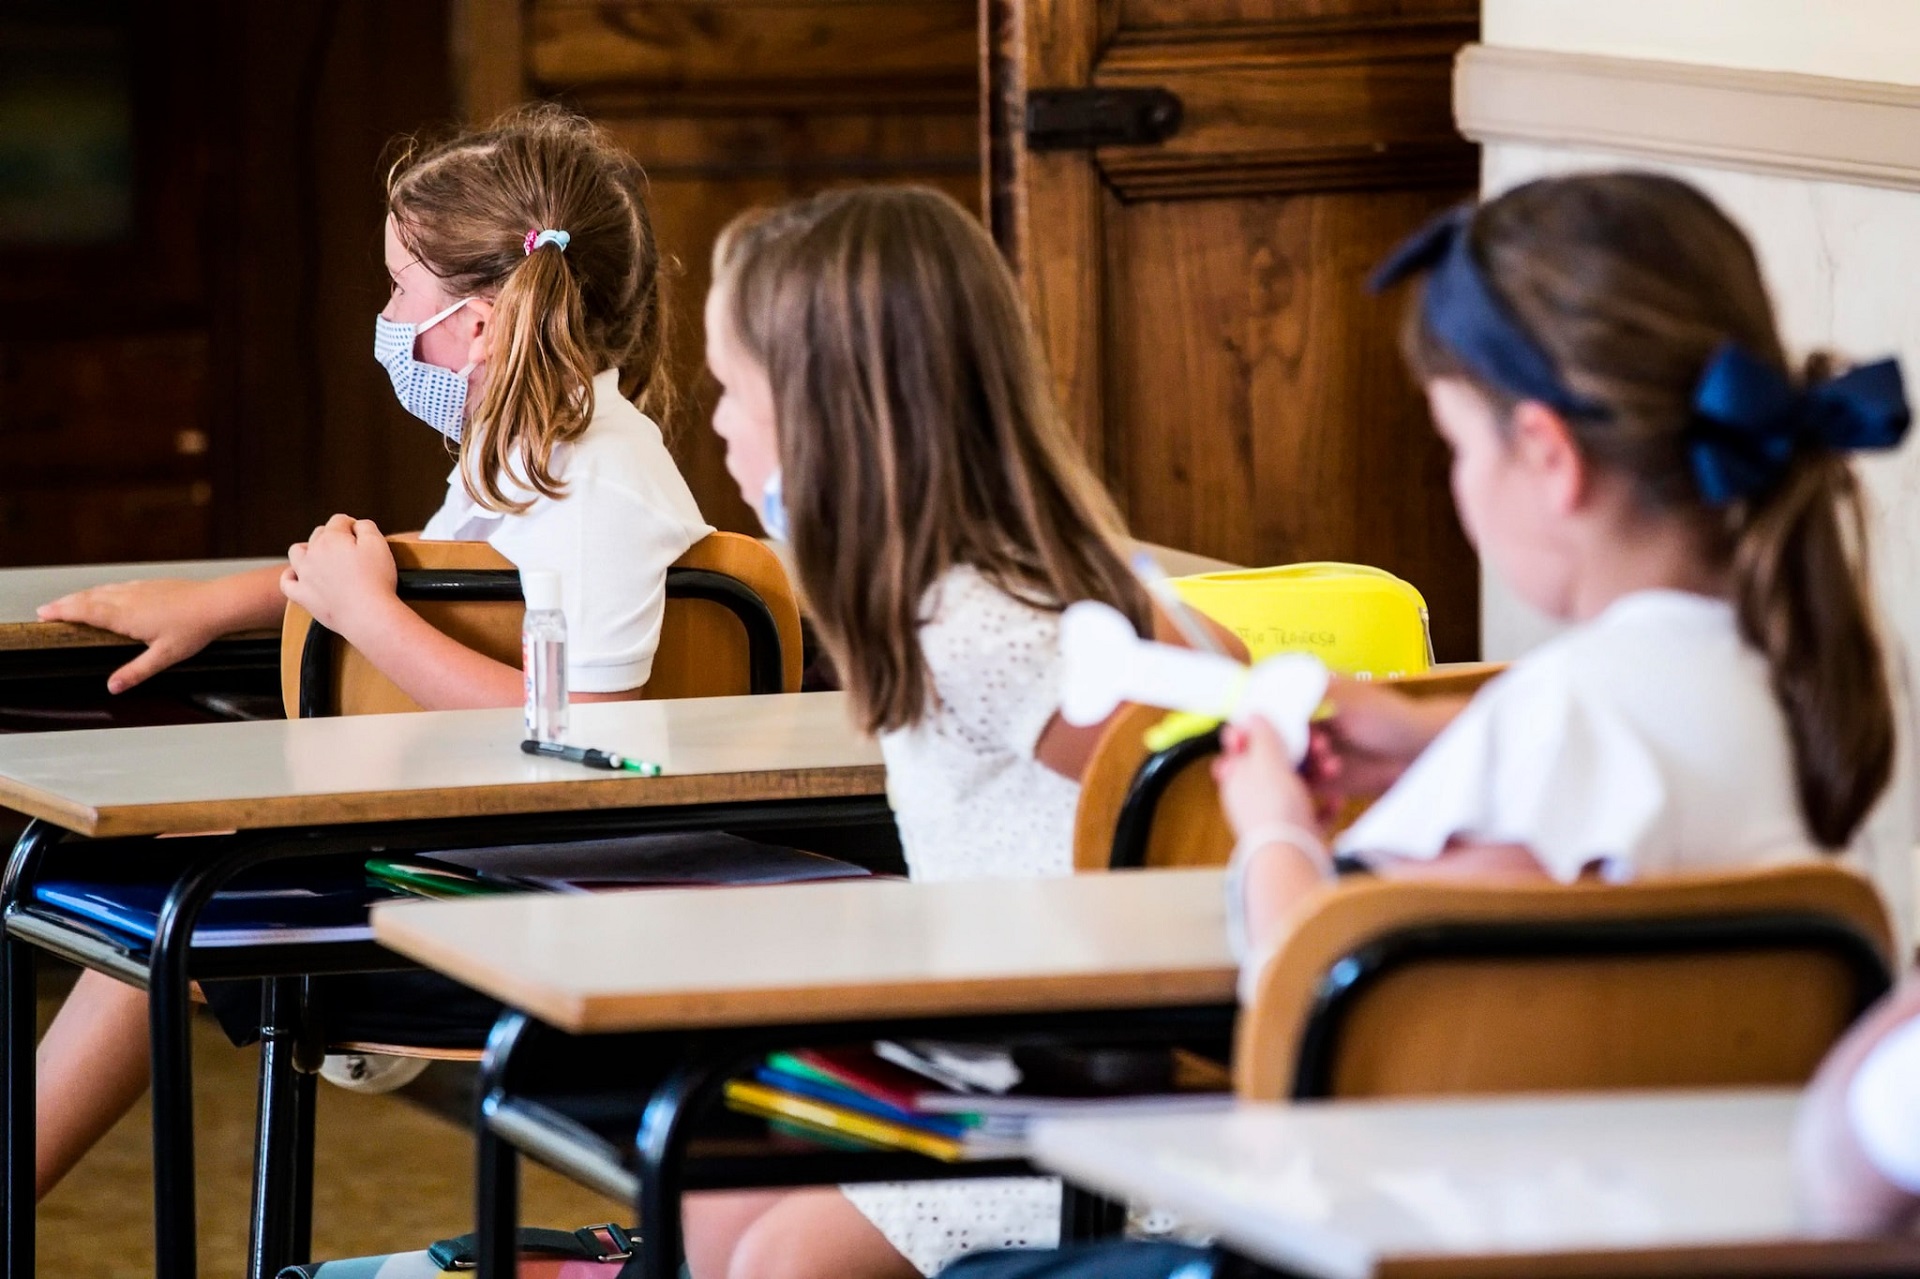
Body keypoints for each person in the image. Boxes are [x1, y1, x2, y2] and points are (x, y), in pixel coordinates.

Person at [29, 104, 709, 1200]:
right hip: (463, 845)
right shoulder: (532, 453)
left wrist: (367, 619)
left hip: (523, 890)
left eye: (401, 288)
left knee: (172, 896)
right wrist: (228, 603)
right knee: (153, 871)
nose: (388, 316)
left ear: (481, 326)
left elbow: (593, 732)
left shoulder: (603, 485)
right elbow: (431, 577)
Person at [686, 185, 1235, 1279]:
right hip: (1004, 1060)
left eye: (733, 393)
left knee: (772, 1257)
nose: (716, 424)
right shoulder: (1034, 579)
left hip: (1075, 1100)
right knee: (709, 1191)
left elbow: (1182, 771)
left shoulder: (976, 625)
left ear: (825, 419)